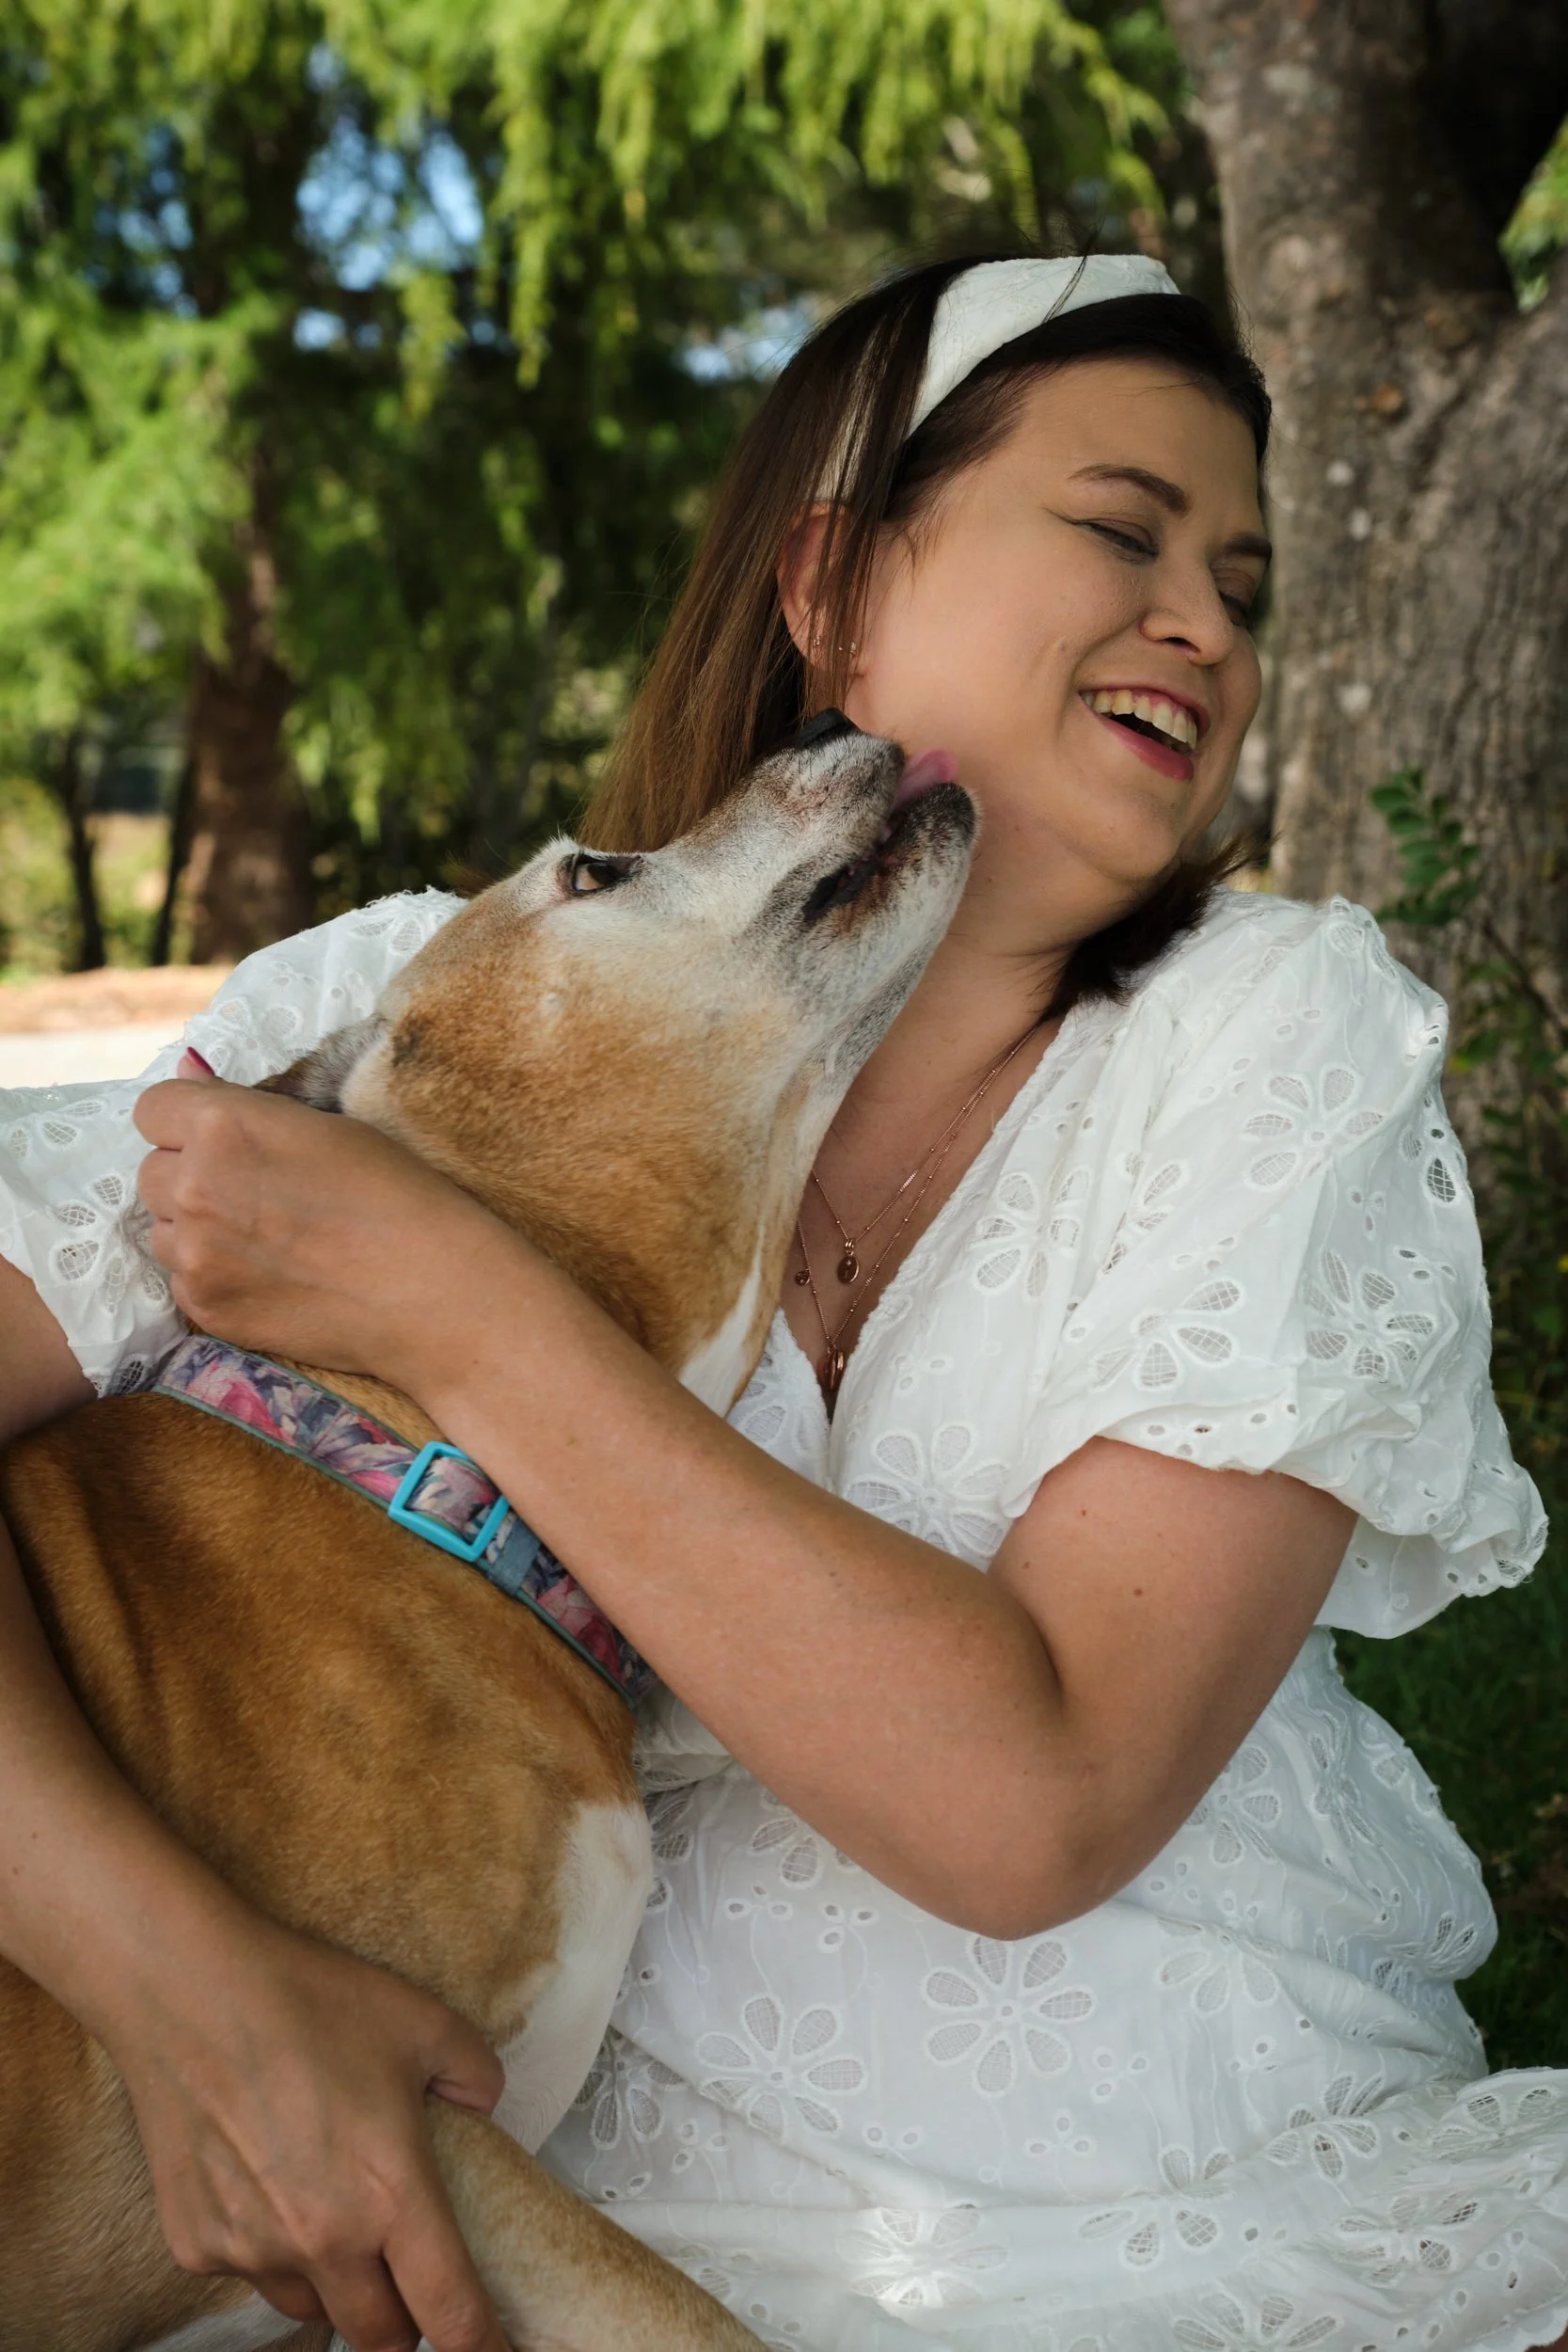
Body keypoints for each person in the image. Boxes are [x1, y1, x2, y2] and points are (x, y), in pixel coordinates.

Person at [1, 249, 1563, 2352]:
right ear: (827, 587)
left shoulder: (1262, 1037)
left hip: (1210, 2161)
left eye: (1244, 580)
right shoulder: (422, 999)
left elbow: (1035, 1805)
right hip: (591, 2223)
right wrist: (177, 1974)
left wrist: (466, 1309)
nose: (1202, 619)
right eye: (1117, 527)